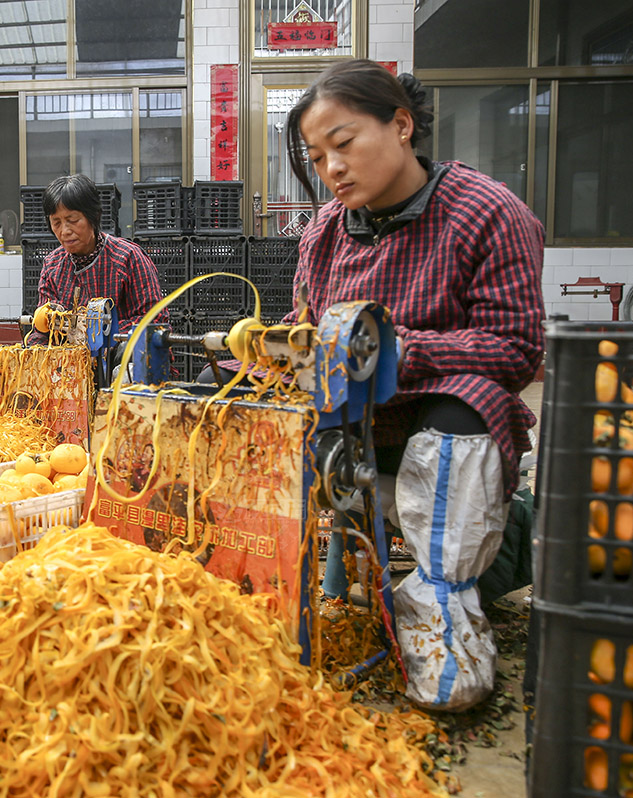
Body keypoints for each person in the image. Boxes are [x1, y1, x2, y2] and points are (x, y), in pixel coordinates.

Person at [218, 60, 545, 711]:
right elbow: (308, 328)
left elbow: (515, 348)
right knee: (229, 397)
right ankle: (337, 570)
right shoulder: (325, 232)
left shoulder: (486, 213)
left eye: (344, 143)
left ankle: (456, 595)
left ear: (401, 126)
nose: (331, 167)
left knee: (461, 419)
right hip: (356, 434)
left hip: (445, 439)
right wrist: (268, 353)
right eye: (316, 156)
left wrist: (395, 352)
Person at [32, 174, 169, 344]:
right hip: (70, 365)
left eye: (72, 220)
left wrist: (98, 333)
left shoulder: (127, 258)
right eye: (56, 222)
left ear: (94, 216)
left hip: (123, 363)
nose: (64, 231)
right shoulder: (52, 265)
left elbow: (154, 321)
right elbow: (43, 326)